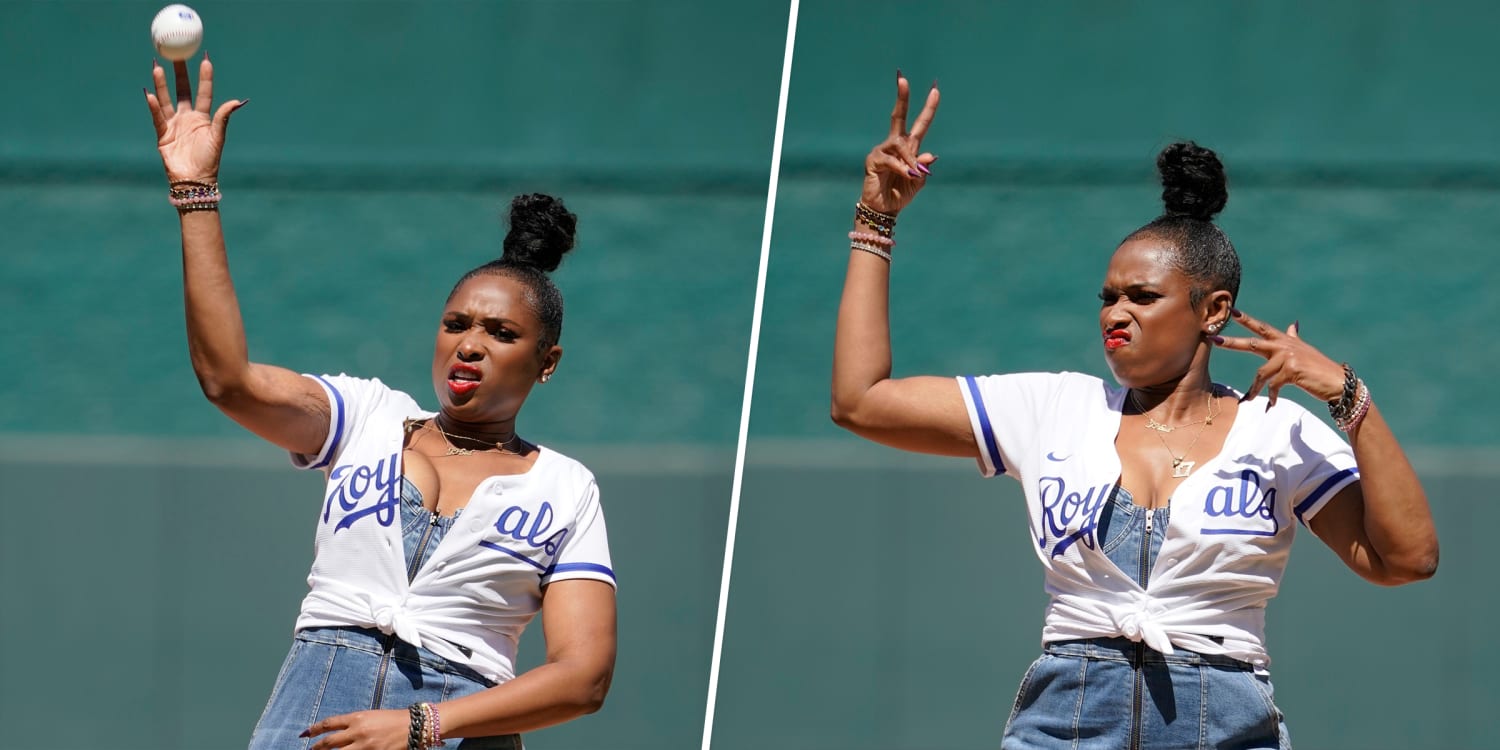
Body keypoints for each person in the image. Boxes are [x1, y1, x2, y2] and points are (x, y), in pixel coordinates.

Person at [829, 73, 1439, 748]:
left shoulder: (1278, 432)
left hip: (1222, 715)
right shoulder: (1054, 406)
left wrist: (1347, 397)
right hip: (1066, 717)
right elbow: (861, 403)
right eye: (1107, 296)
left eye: (1142, 297)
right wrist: (876, 219)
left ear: (1212, 311)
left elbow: (1405, 559)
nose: (1115, 313)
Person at [145, 56, 617, 750]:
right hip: (317, 713)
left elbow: (583, 677)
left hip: (460, 725)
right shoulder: (367, 416)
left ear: (547, 363)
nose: (470, 344)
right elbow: (228, 380)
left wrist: (424, 725)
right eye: (456, 324)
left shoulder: (565, 487)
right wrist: (196, 193)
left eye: (502, 333)